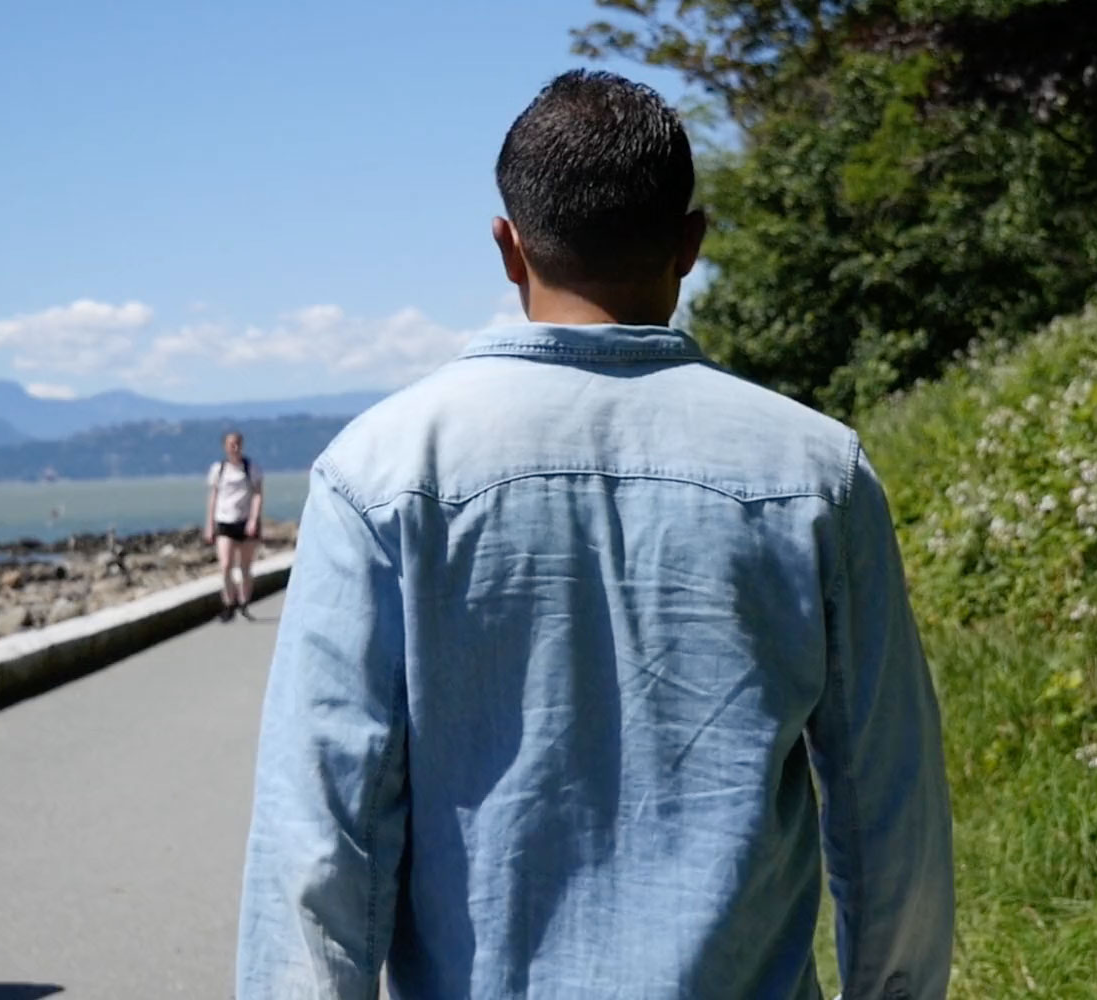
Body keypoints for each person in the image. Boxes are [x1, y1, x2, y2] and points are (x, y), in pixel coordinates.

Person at [236, 71, 954, 998]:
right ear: (690, 243)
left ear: (509, 246)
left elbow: (320, 839)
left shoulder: (378, 472)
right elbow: (888, 806)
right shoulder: (817, 473)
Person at [206, 431, 263, 622]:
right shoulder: (218, 469)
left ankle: (244, 603)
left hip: (245, 521)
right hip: (224, 521)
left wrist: (254, 519)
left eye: (237, 443)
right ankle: (229, 603)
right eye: (231, 444)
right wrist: (210, 524)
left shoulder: (250, 467)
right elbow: (213, 496)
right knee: (225, 565)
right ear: (225, 446)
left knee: (245, 567)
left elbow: (257, 494)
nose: (234, 447)